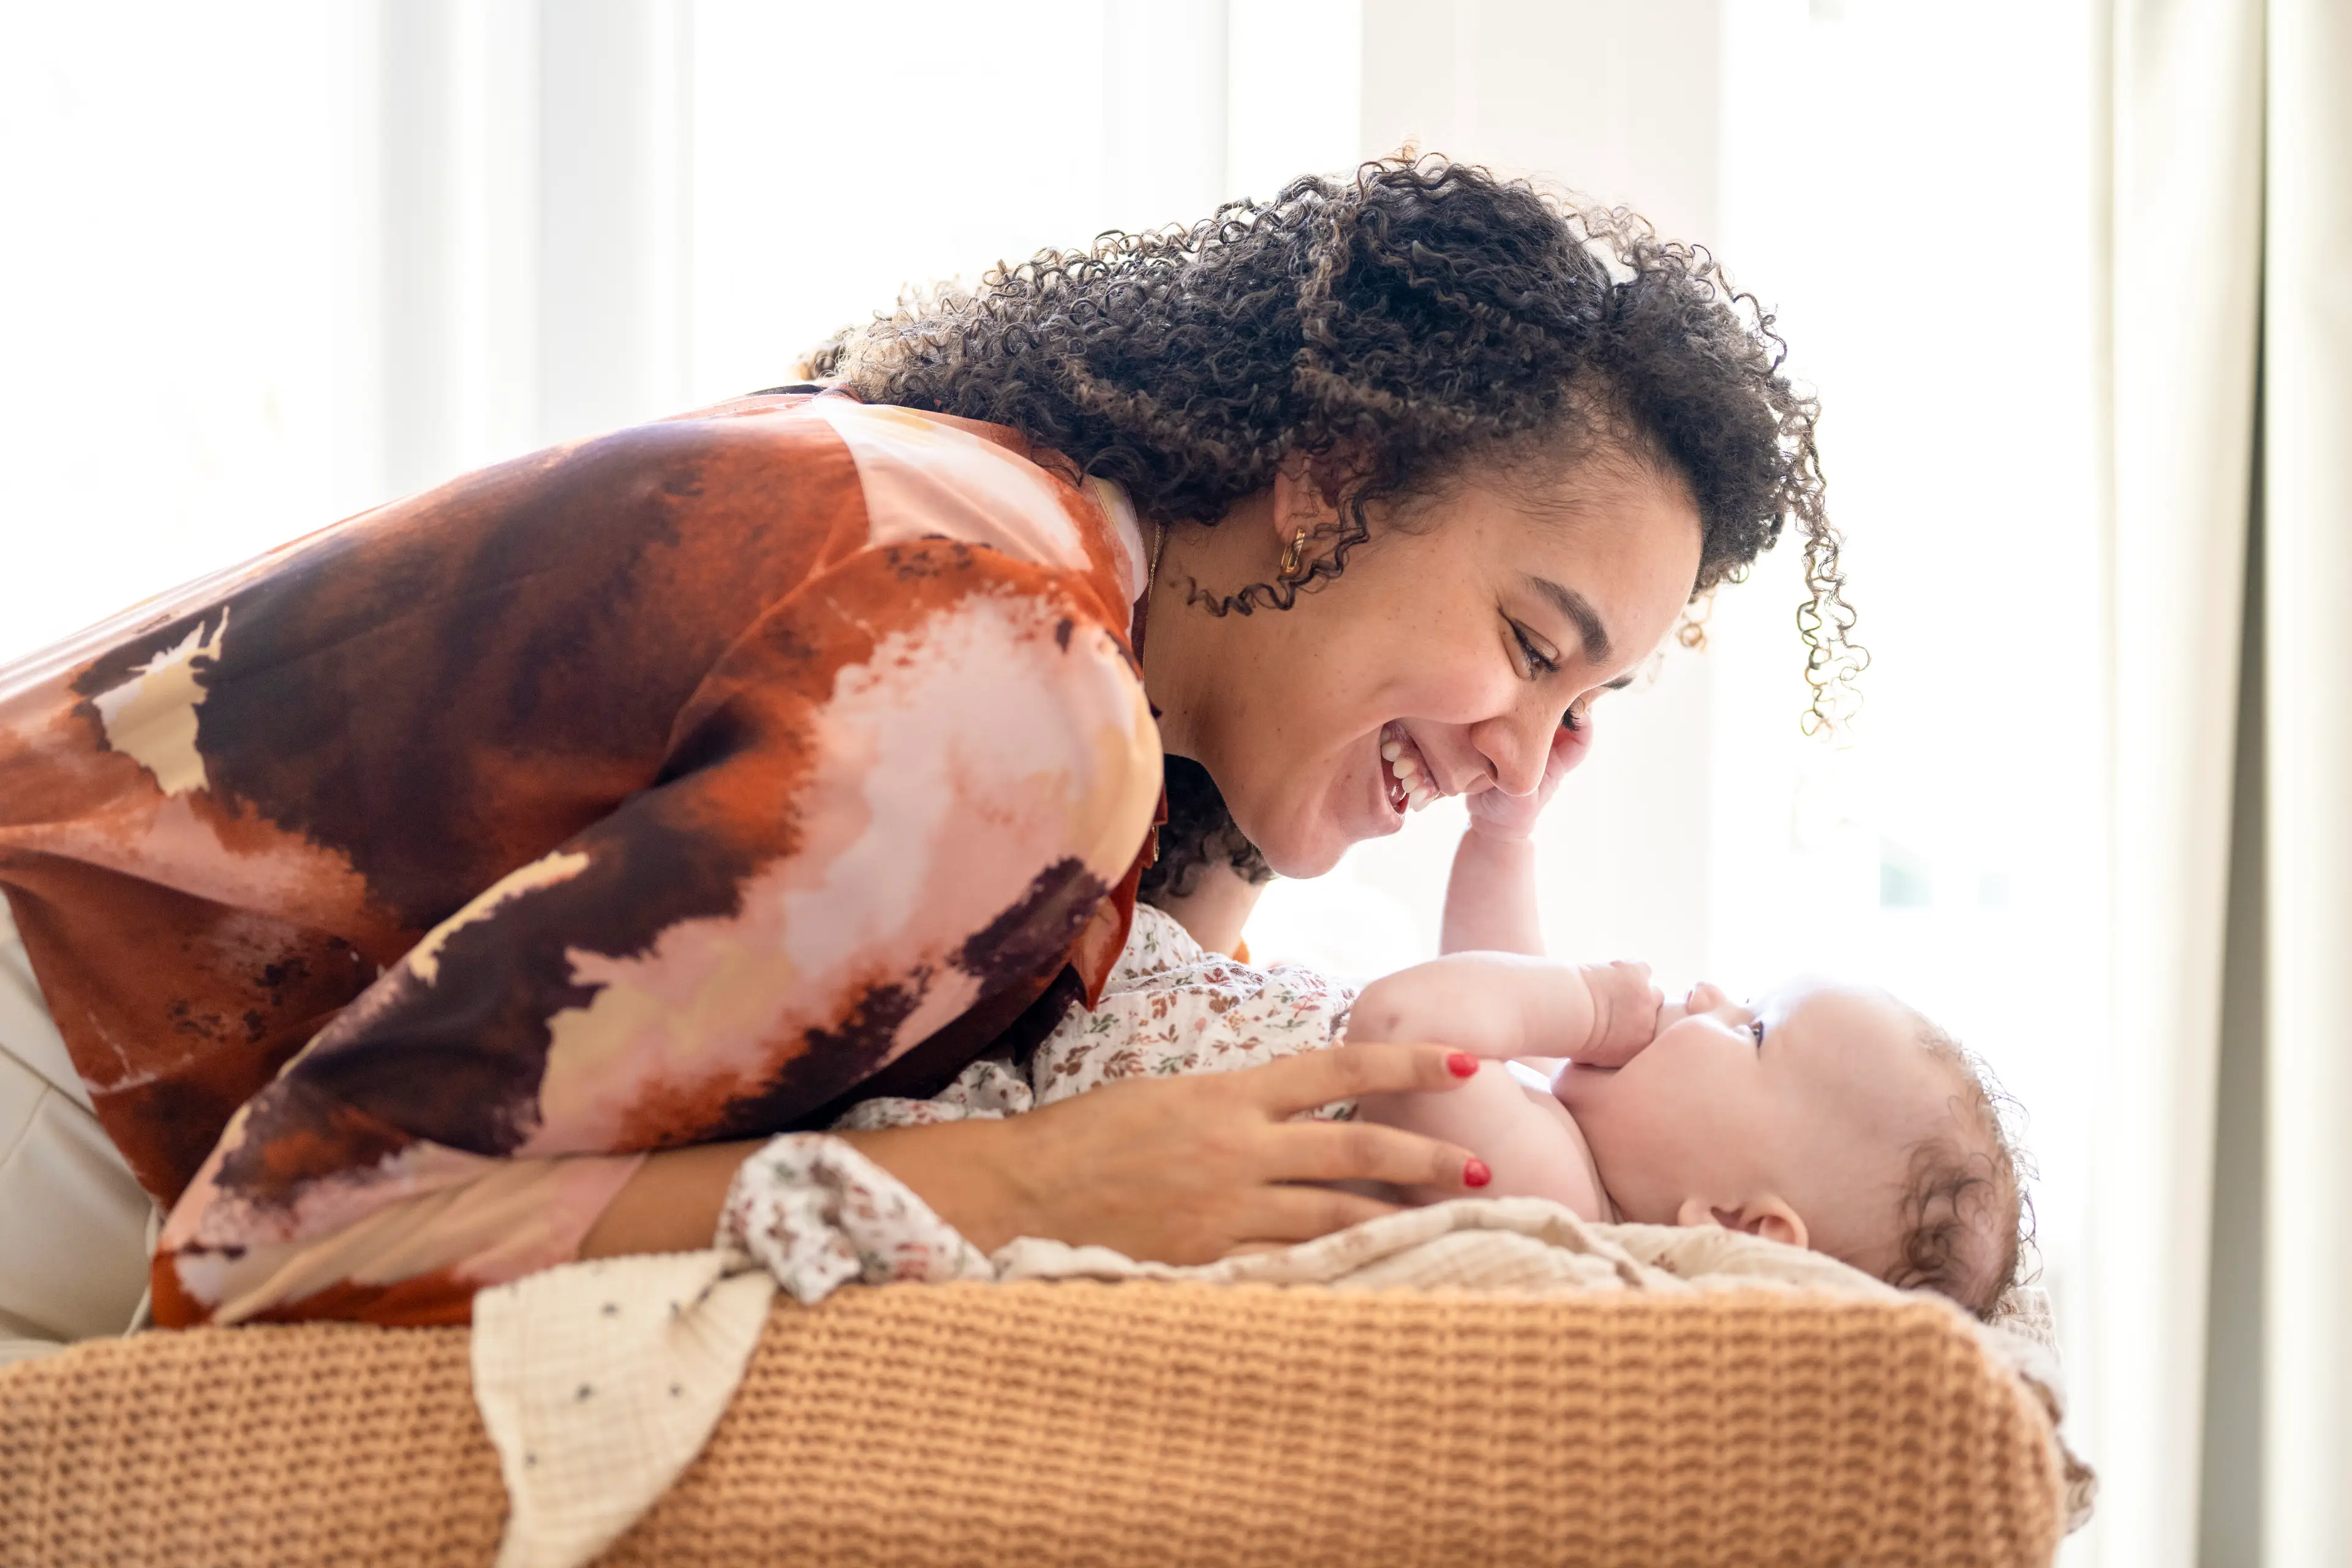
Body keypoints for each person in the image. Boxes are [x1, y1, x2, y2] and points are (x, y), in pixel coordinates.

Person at [0, 157, 1851, 1338]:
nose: (1526, 763)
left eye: (1581, 715)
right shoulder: (1009, 693)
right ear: (1331, 484)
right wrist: (1033, 1191)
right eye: (1530, 648)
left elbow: (1109, 1016)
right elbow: (279, 1237)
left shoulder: (1036, 579)